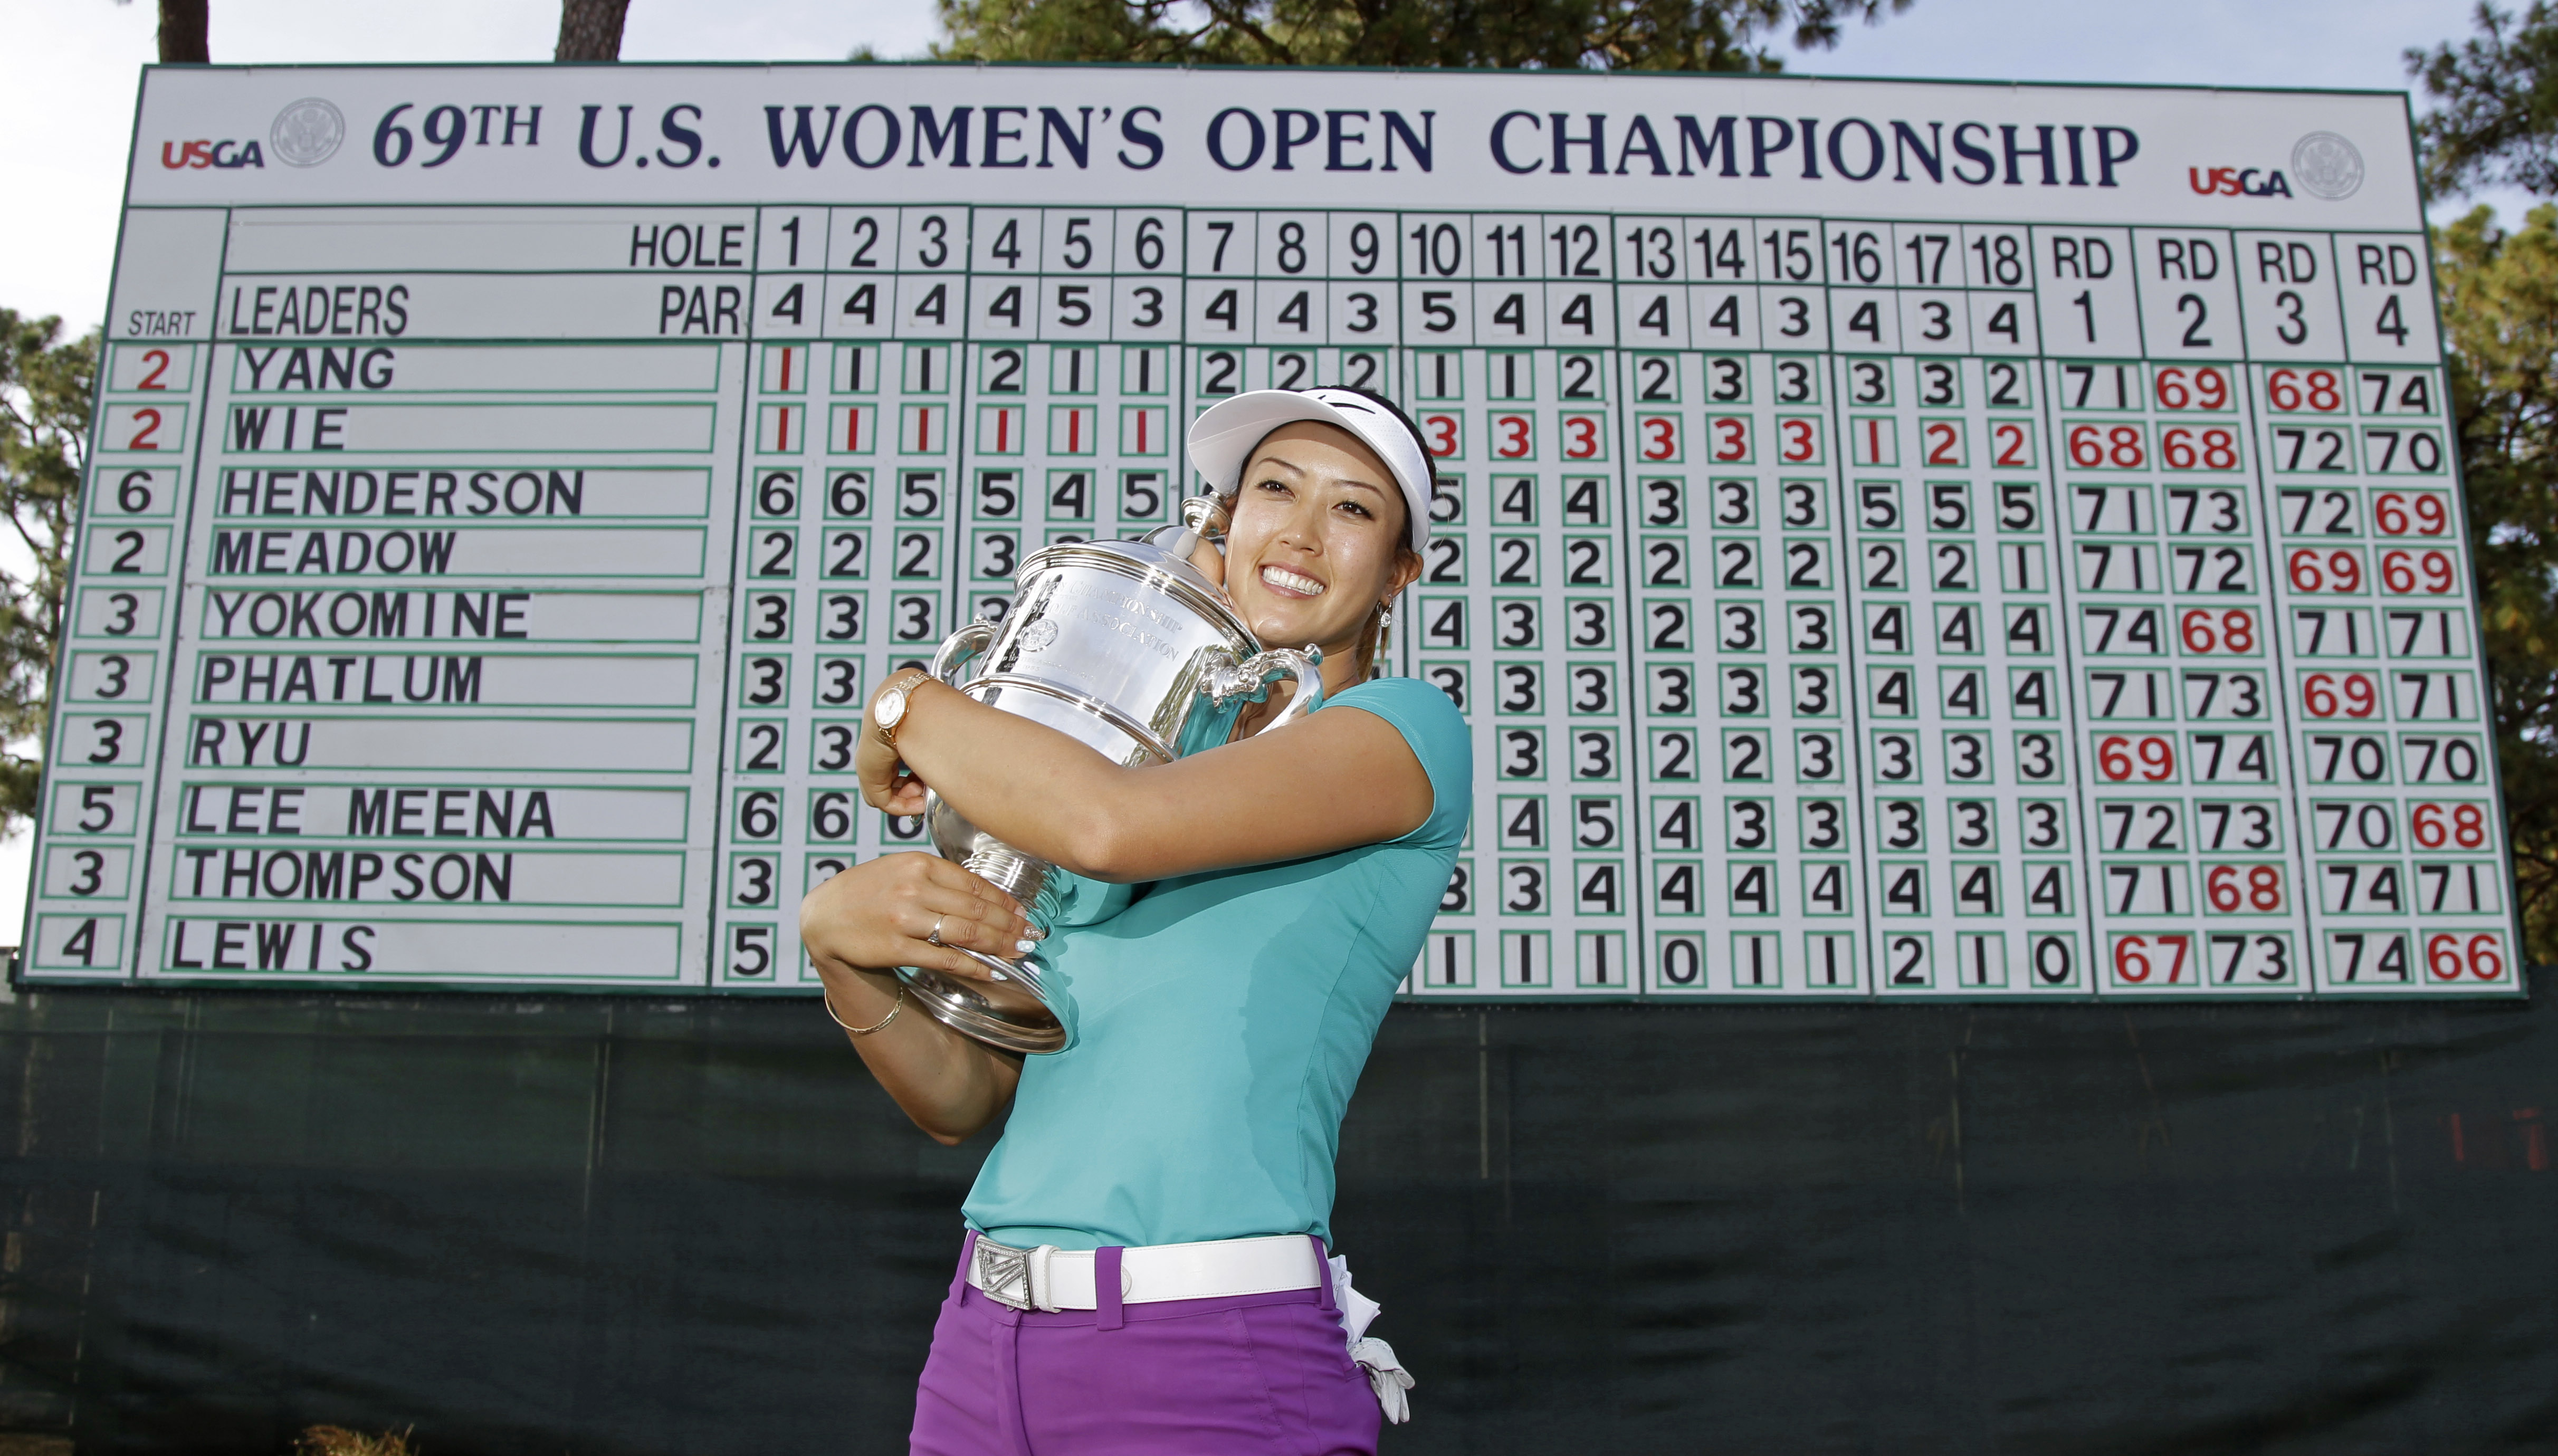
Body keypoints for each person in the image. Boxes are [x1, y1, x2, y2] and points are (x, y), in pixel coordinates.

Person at [798, 386, 1473, 1456]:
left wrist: (906, 705)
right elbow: (963, 1100)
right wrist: (840, 952)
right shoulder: (1140, 773)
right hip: (983, 1345)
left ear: (1399, 571)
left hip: (1206, 1354)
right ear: (1221, 520)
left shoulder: (1402, 733)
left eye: (1352, 511)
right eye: (1273, 490)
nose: (1298, 533)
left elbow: (1108, 825)